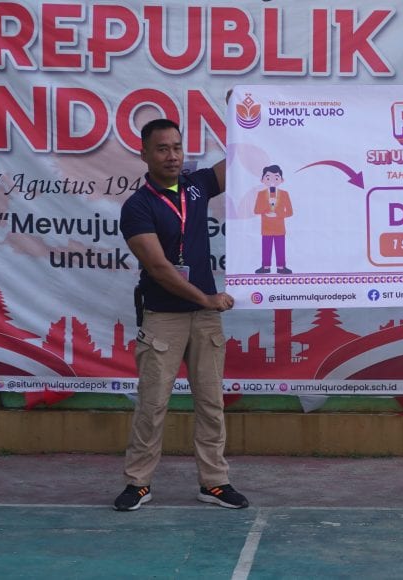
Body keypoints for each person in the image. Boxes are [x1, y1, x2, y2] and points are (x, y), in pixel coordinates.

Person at [114, 118, 248, 511]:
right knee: (152, 404)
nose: (172, 156)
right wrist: (206, 298)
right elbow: (159, 268)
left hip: (205, 319)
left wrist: (244, 114)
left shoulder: (196, 186)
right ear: (144, 154)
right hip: (163, 317)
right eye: (162, 149)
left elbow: (241, 159)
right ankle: (138, 483)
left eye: (176, 147)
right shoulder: (137, 207)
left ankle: (214, 482)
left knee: (211, 403)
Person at [253, 164, 294, 274]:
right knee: (266, 247)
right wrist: (266, 208)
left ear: (281, 180)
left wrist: (278, 214)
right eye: (268, 178)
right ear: (262, 180)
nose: (272, 181)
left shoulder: (284, 194)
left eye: (276, 178)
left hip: (279, 228)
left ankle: (281, 267)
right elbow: (256, 210)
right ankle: (265, 267)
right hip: (266, 227)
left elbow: (290, 212)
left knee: (280, 248)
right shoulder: (261, 194)